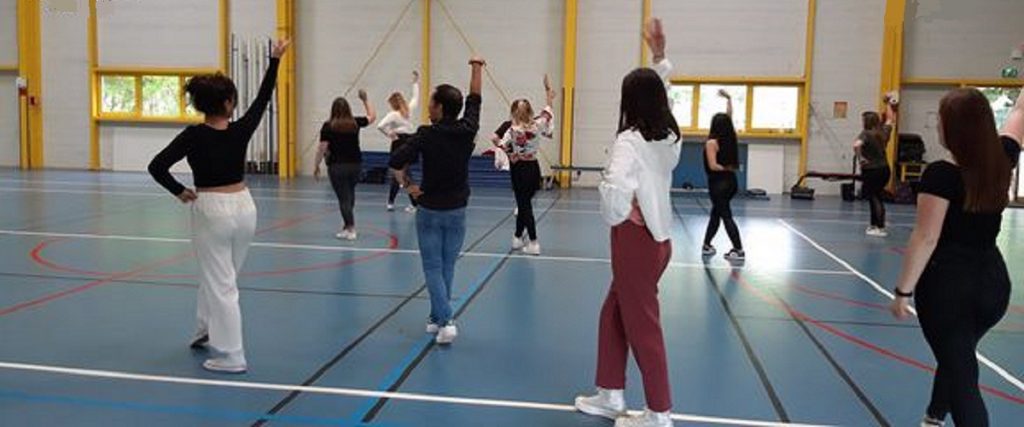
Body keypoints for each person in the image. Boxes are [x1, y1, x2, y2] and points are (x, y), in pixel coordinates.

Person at [147, 39, 290, 374]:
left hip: (211, 208)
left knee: (220, 281)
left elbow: (156, 166)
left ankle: (231, 355)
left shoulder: (193, 135)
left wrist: (179, 191)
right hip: (245, 207)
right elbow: (263, 99)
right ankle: (205, 328)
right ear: (228, 103)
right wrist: (273, 61)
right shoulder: (241, 129)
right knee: (223, 278)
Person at [889, 87, 1022, 427]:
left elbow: (926, 237)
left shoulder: (941, 175)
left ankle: (942, 414)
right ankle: (934, 414)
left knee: (964, 376)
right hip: (992, 286)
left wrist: (903, 291)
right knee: (957, 356)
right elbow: (1020, 114)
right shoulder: (1004, 156)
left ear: (953, 129)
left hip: (949, 288)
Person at [575, 18, 680, 427]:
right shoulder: (668, 137)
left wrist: (619, 211)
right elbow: (667, 98)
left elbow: (615, 193)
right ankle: (610, 392)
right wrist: (660, 58)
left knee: (643, 328)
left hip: (636, 241)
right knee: (613, 314)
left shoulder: (629, 141)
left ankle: (659, 413)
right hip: (659, 241)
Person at [389, 56, 485, 345]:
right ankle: (435, 317)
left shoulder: (426, 135)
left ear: (440, 108)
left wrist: (408, 185)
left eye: (431, 102)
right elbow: (475, 98)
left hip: (430, 209)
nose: (428, 107)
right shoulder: (468, 129)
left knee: (433, 266)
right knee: (447, 266)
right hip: (457, 209)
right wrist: (477, 68)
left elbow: (396, 159)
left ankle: (446, 319)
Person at [490, 75, 555, 255]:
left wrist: (511, 154)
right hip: (533, 167)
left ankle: (533, 242)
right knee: (524, 202)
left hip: (519, 168)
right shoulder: (538, 124)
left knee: (524, 205)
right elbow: (548, 111)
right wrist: (548, 93)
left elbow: (495, 139)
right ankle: (518, 237)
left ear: (514, 112)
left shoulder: (512, 130)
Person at [314, 90, 377, 241]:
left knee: (343, 198)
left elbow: (322, 148)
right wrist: (365, 100)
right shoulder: (355, 123)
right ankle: (346, 226)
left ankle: (351, 228)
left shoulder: (328, 126)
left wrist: (316, 164)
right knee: (349, 194)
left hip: (337, 166)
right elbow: (372, 117)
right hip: (356, 165)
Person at [701, 90, 744, 261]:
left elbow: (713, 165)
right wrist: (729, 99)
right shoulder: (731, 138)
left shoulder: (712, 143)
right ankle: (706, 245)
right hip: (731, 183)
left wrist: (725, 167)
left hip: (718, 184)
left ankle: (738, 250)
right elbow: (729, 118)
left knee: (725, 215)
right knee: (716, 213)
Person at [855, 93, 899, 237]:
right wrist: (888, 104)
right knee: (877, 196)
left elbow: (856, 145)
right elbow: (891, 119)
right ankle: (875, 225)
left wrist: (860, 157)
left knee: (874, 197)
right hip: (884, 170)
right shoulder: (883, 133)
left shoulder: (866, 134)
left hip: (871, 170)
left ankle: (879, 227)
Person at [379, 71, 421, 213]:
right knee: (401, 174)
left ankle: (414, 203)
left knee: (401, 174)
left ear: (392, 104)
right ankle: (392, 201)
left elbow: (380, 126)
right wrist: (415, 82)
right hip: (410, 141)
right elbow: (416, 97)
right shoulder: (409, 110)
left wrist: (389, 134)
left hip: (399, 143)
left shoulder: (393, 115)